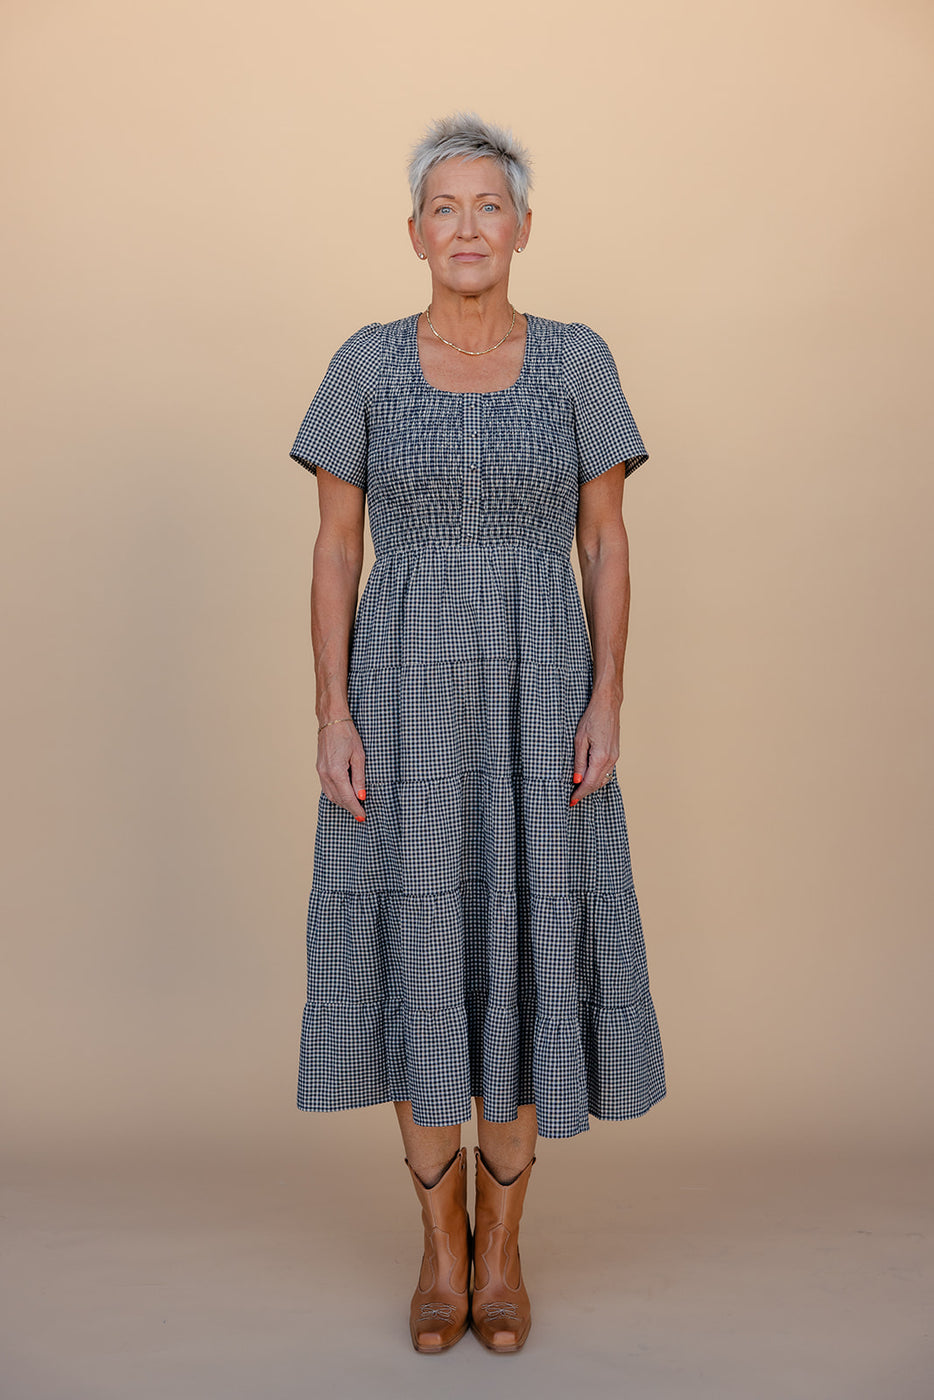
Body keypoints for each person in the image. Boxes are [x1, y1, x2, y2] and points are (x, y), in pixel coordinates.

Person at [288, 112, 666, 1355]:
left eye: (486, 206)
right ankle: (439, 1246)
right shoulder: (362, 363)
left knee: (528, 941)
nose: (465, 227)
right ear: (413, 231)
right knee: (416, 938)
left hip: (539, 679)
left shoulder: (575, 360)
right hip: (397, 687)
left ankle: (503, 1247)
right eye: (443, 208)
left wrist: (607, 694)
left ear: (520, 229)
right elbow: (337, 547)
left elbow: (603, 541)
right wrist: (333, 709)